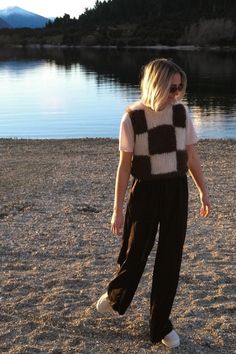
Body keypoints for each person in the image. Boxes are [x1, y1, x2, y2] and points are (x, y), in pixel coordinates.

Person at [96, 58, 210, 348]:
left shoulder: (182, 114)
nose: (177, 93)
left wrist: (202, 190)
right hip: (144, 191)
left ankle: (160, 325)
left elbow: (191, 156)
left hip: (176, 190)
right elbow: (124, 167)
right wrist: (117, 210)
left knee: (170, 260)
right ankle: (116, 297)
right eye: (172, 87)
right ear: (156, 84)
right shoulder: (132, 118)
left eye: (180, 87)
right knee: (135, 254)